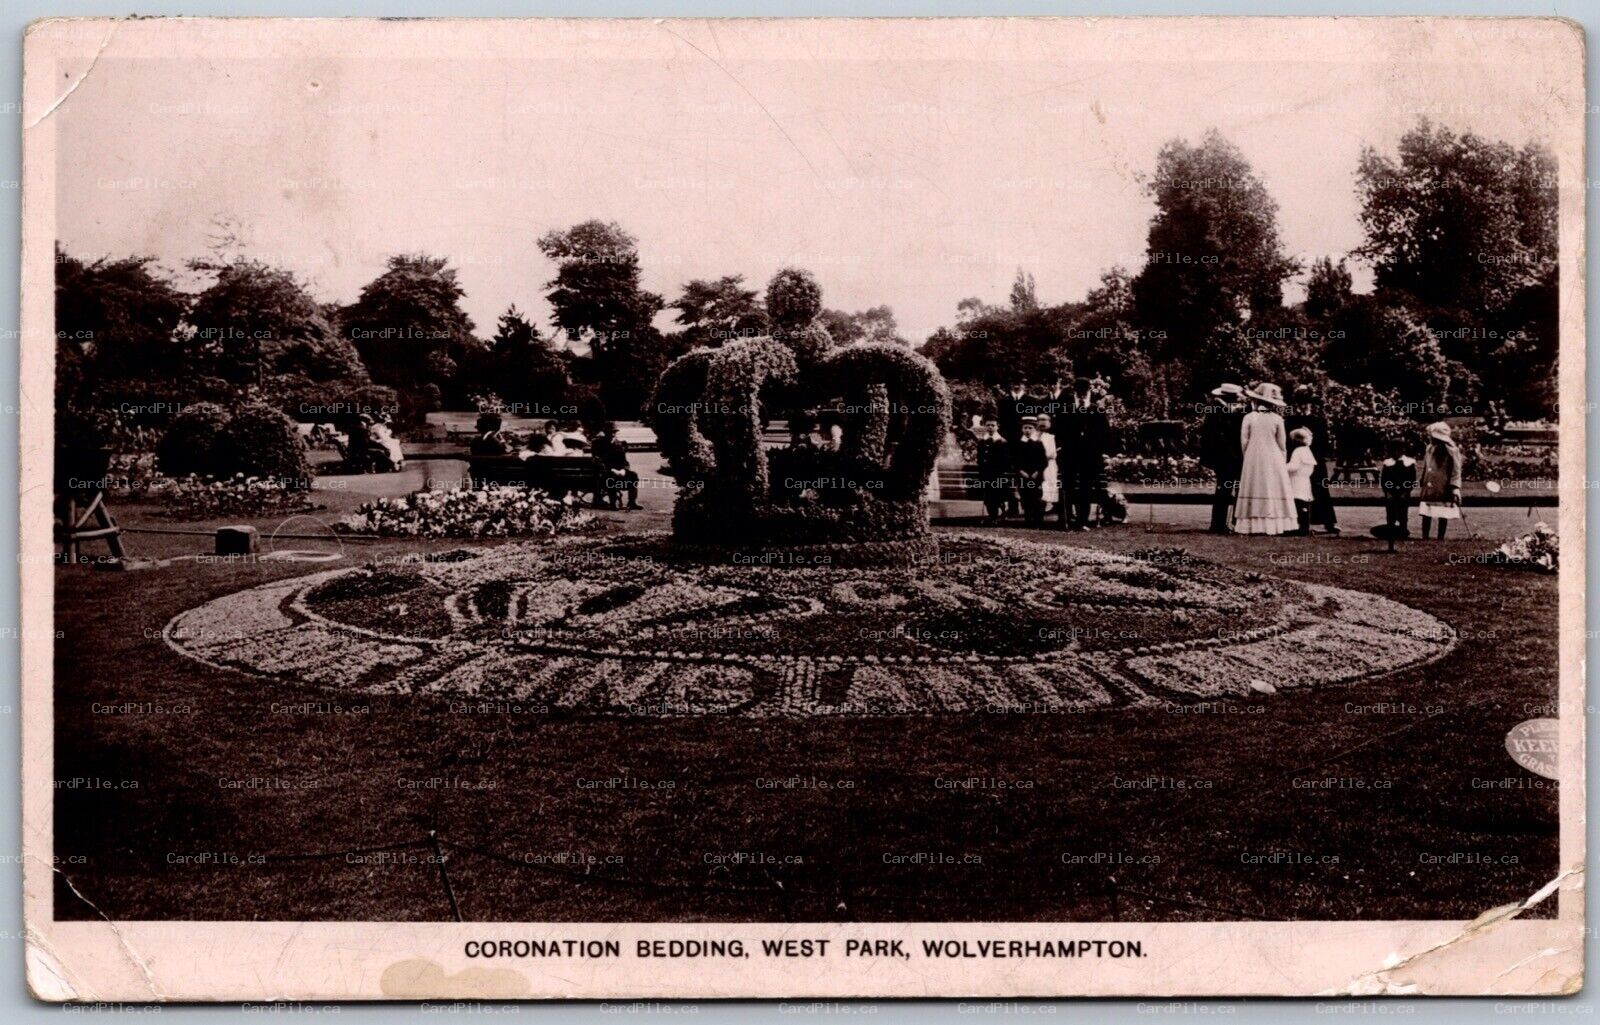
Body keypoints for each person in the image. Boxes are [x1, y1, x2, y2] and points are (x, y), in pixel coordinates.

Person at [1233, 383, 1299, 535]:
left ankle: (1253, 525)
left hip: (1253, 456)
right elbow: (1282, 445)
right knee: (1272, 487)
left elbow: (1244, 441)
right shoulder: (1277, 419)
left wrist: (1249, 457)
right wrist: (1282, 461)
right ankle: (1273, 524)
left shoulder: (1248, 417)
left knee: (1254, 486)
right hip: (1273, 456)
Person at [1056, 377, 1109, 531]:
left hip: (1089, 455)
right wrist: (1060, 446)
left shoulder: (1096, 409)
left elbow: (1104, 433)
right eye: (1079, 392)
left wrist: (1101, 452)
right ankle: (1066, 519)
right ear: (1075, 391)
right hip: (1069, 453)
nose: (1082, 395)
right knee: (1068, 486)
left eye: (1084, 392)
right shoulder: (1065, 407)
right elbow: (1058, 428)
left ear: (1088, 391)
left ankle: (1082, 520)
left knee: (1086, 487)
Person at [1286, 385, 1339, 535]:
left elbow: (1325, 444)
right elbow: (1287, 442)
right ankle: (1298, 522)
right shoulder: (1290, 421)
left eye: (1306, 402)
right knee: (1296, 489)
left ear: (1310, 403)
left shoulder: (1318, 421)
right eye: (1300, 402)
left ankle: (1328, 522)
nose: (1303, 406)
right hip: (1296, 458)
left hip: (1314, 459)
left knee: (1320, 488)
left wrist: (1311, 441)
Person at [1201, 383, 1246, 534]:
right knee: (1231, 490)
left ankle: (1220, 524)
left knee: (1224, 490)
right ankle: (1231, 523)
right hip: (1231, 457)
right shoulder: (1224, 412)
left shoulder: (1215, 410)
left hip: (1223, 458)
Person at [1418, 421, 1462, 539]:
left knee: (1443, 511)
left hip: (1443, 485)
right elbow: (1426, 465)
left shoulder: (1452, 451)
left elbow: (1456, 471)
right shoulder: (1429, 448)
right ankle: (1425, 536)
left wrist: (1455, 487)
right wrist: (1423, 478)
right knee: (1426, 510)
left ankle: (1440, 536)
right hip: (1429, 483)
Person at [1013, 417, 1049, 527]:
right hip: (1023, 476)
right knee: (1025, 497)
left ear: (1034, 429)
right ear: (1022, 429)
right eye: (1025, 428)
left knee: (1036, 497)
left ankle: (1038, 520)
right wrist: (1021, 471)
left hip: (1036, 476)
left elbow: (1043, 461)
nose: (1027, 430)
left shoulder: (1038, 443)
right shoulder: (1018, 444)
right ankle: (1028, 519)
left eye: (1030, 428)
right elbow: (1014, 460)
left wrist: (1037, 471)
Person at [1378, 439, 1418, 537]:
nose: (1396, 453)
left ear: (1402, 450)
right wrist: (1387, 492)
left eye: (1398, 450)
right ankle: (1391, 532)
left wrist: (1405, 492)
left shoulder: (1409, 462)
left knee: (1403, 513)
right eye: (1393, 450)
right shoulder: (1388, 463)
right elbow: (1384, 480)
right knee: (1390, 512)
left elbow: (1411, 480)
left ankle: (1403, 531)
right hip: (1391, 492)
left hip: (1403, 492)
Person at [974, 418, 1010, 525]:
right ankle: (992, 516)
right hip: (986, 474)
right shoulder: (982, 441)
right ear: (985, 426)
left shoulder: (1002, 441)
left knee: (998, 495)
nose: (990, 427)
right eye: (988, 425)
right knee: (988, 496)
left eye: (993, 425)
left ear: (997, 426)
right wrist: (982, 469)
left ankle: (1000, 515)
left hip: (998, 474)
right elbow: (980, 458)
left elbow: (1005, 460)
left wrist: (1001, 472)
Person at [593, 432, 641, 511]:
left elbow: (625, 462)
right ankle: (613, 503)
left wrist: (624, 470)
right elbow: (599, 462)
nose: (613, 437)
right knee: (610, 477)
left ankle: (632, 502)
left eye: (613, 435)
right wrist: (612, 470)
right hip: (606, 473)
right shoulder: (599, 447)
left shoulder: (618, 447)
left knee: (633, 475)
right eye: (611, 435)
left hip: (620, 472)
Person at [1285, 426, 1317, 536]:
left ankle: (1298, 528)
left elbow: (1294, 466)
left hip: (1296, 480)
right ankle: (1304, 527)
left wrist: (1282, 467)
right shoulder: (1307, 451)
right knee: (1304, 504)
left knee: (1297, 504)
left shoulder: (1298, 451)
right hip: (1304, 480)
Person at [1035, 413, 1059, 516]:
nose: (1042, 422)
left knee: (1049, 480)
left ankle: (1050, 504)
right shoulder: (1033, 435)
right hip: (1035, 465)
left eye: (1045, 420)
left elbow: (1053, 454)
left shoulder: (1052, 436)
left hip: (1049, 465)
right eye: (1040, 420)